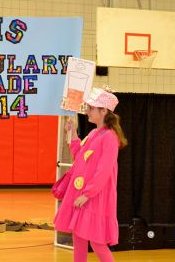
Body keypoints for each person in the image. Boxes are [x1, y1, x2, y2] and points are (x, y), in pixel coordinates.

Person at [54, 87, 128, 262]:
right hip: (85, 194)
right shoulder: (95, 133)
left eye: (91, 108)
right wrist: (72, 133)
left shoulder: (110, 137)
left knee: (97, 242)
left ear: (103, 111)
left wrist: (87, 194)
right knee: (78, 237)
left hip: (96, 197)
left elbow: (104, 171)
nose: (87, 111)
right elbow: (79, 156)